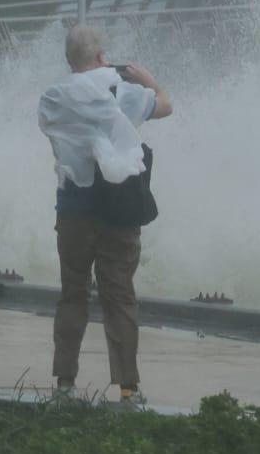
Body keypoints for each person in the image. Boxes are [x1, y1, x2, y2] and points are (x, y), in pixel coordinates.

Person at [36, 24, 172, 403]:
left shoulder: (54, 97)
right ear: (101, 57)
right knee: (120, 298)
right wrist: (149, 81)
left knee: (72, 295)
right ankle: (128, 388)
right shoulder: (122, 92)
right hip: (118, 212)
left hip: (73, 213)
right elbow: (166, 106)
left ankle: (64, 384)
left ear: (68, 61)